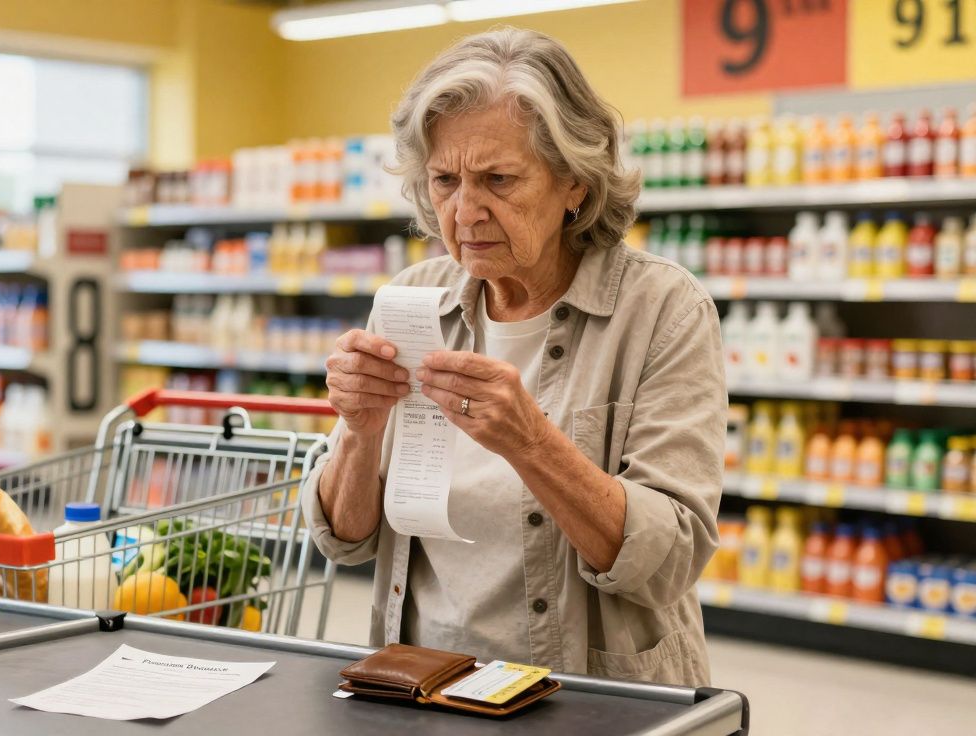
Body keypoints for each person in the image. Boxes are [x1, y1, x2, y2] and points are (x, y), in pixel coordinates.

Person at [300, 28, 725, 687]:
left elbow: (669, 559)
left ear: (575, 182)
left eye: (498, 179)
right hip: (426, 683)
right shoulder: (413, 301)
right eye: (444, 180)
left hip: (588, 699)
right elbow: (346, 539)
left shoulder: (663, 310)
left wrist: (532, 443)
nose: (465, 212)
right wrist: (360, 430)